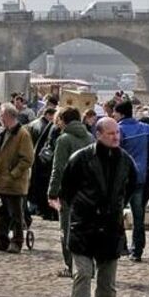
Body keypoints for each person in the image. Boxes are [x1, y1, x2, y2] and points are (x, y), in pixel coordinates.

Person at [60, 117, 137, 297]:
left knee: (107, 283)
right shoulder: (81, 159)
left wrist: (116, 206)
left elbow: (130, 187)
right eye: (111, 133)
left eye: (118, 133)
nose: (116, 137)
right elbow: (67, 189)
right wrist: (84, 208)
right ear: (99, 134)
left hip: (111, 228)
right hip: (84, 226)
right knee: (82, 274)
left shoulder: (125, 160)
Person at [48, 107, 95, 276]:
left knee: (67, 229)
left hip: (69, 192)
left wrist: (52, 192)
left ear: (63, 120)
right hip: (88, 191)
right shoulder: (90, 137)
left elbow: (58, 168)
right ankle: (90, 266)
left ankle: (70, 266)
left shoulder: (64, 139)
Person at [113, 101, 149, 262]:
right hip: (140, 176)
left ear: (120, 114)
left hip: (122, 178)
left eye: (115, 113)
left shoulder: (118, 130)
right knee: (138, 215)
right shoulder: (144, 128)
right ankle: (137, 250)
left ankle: (121, 246)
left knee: (116, 213)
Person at [0, 103, 35, 253]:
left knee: (16, 214)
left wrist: (13, 174)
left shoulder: (22, 134)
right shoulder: (5, 132)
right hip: (2, 182)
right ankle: (2, 240)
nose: (0, 118)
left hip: (14, 183)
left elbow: (27, 159)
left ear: (9, 116)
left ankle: (17, 241)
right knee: (1, 212)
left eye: (2, 115)